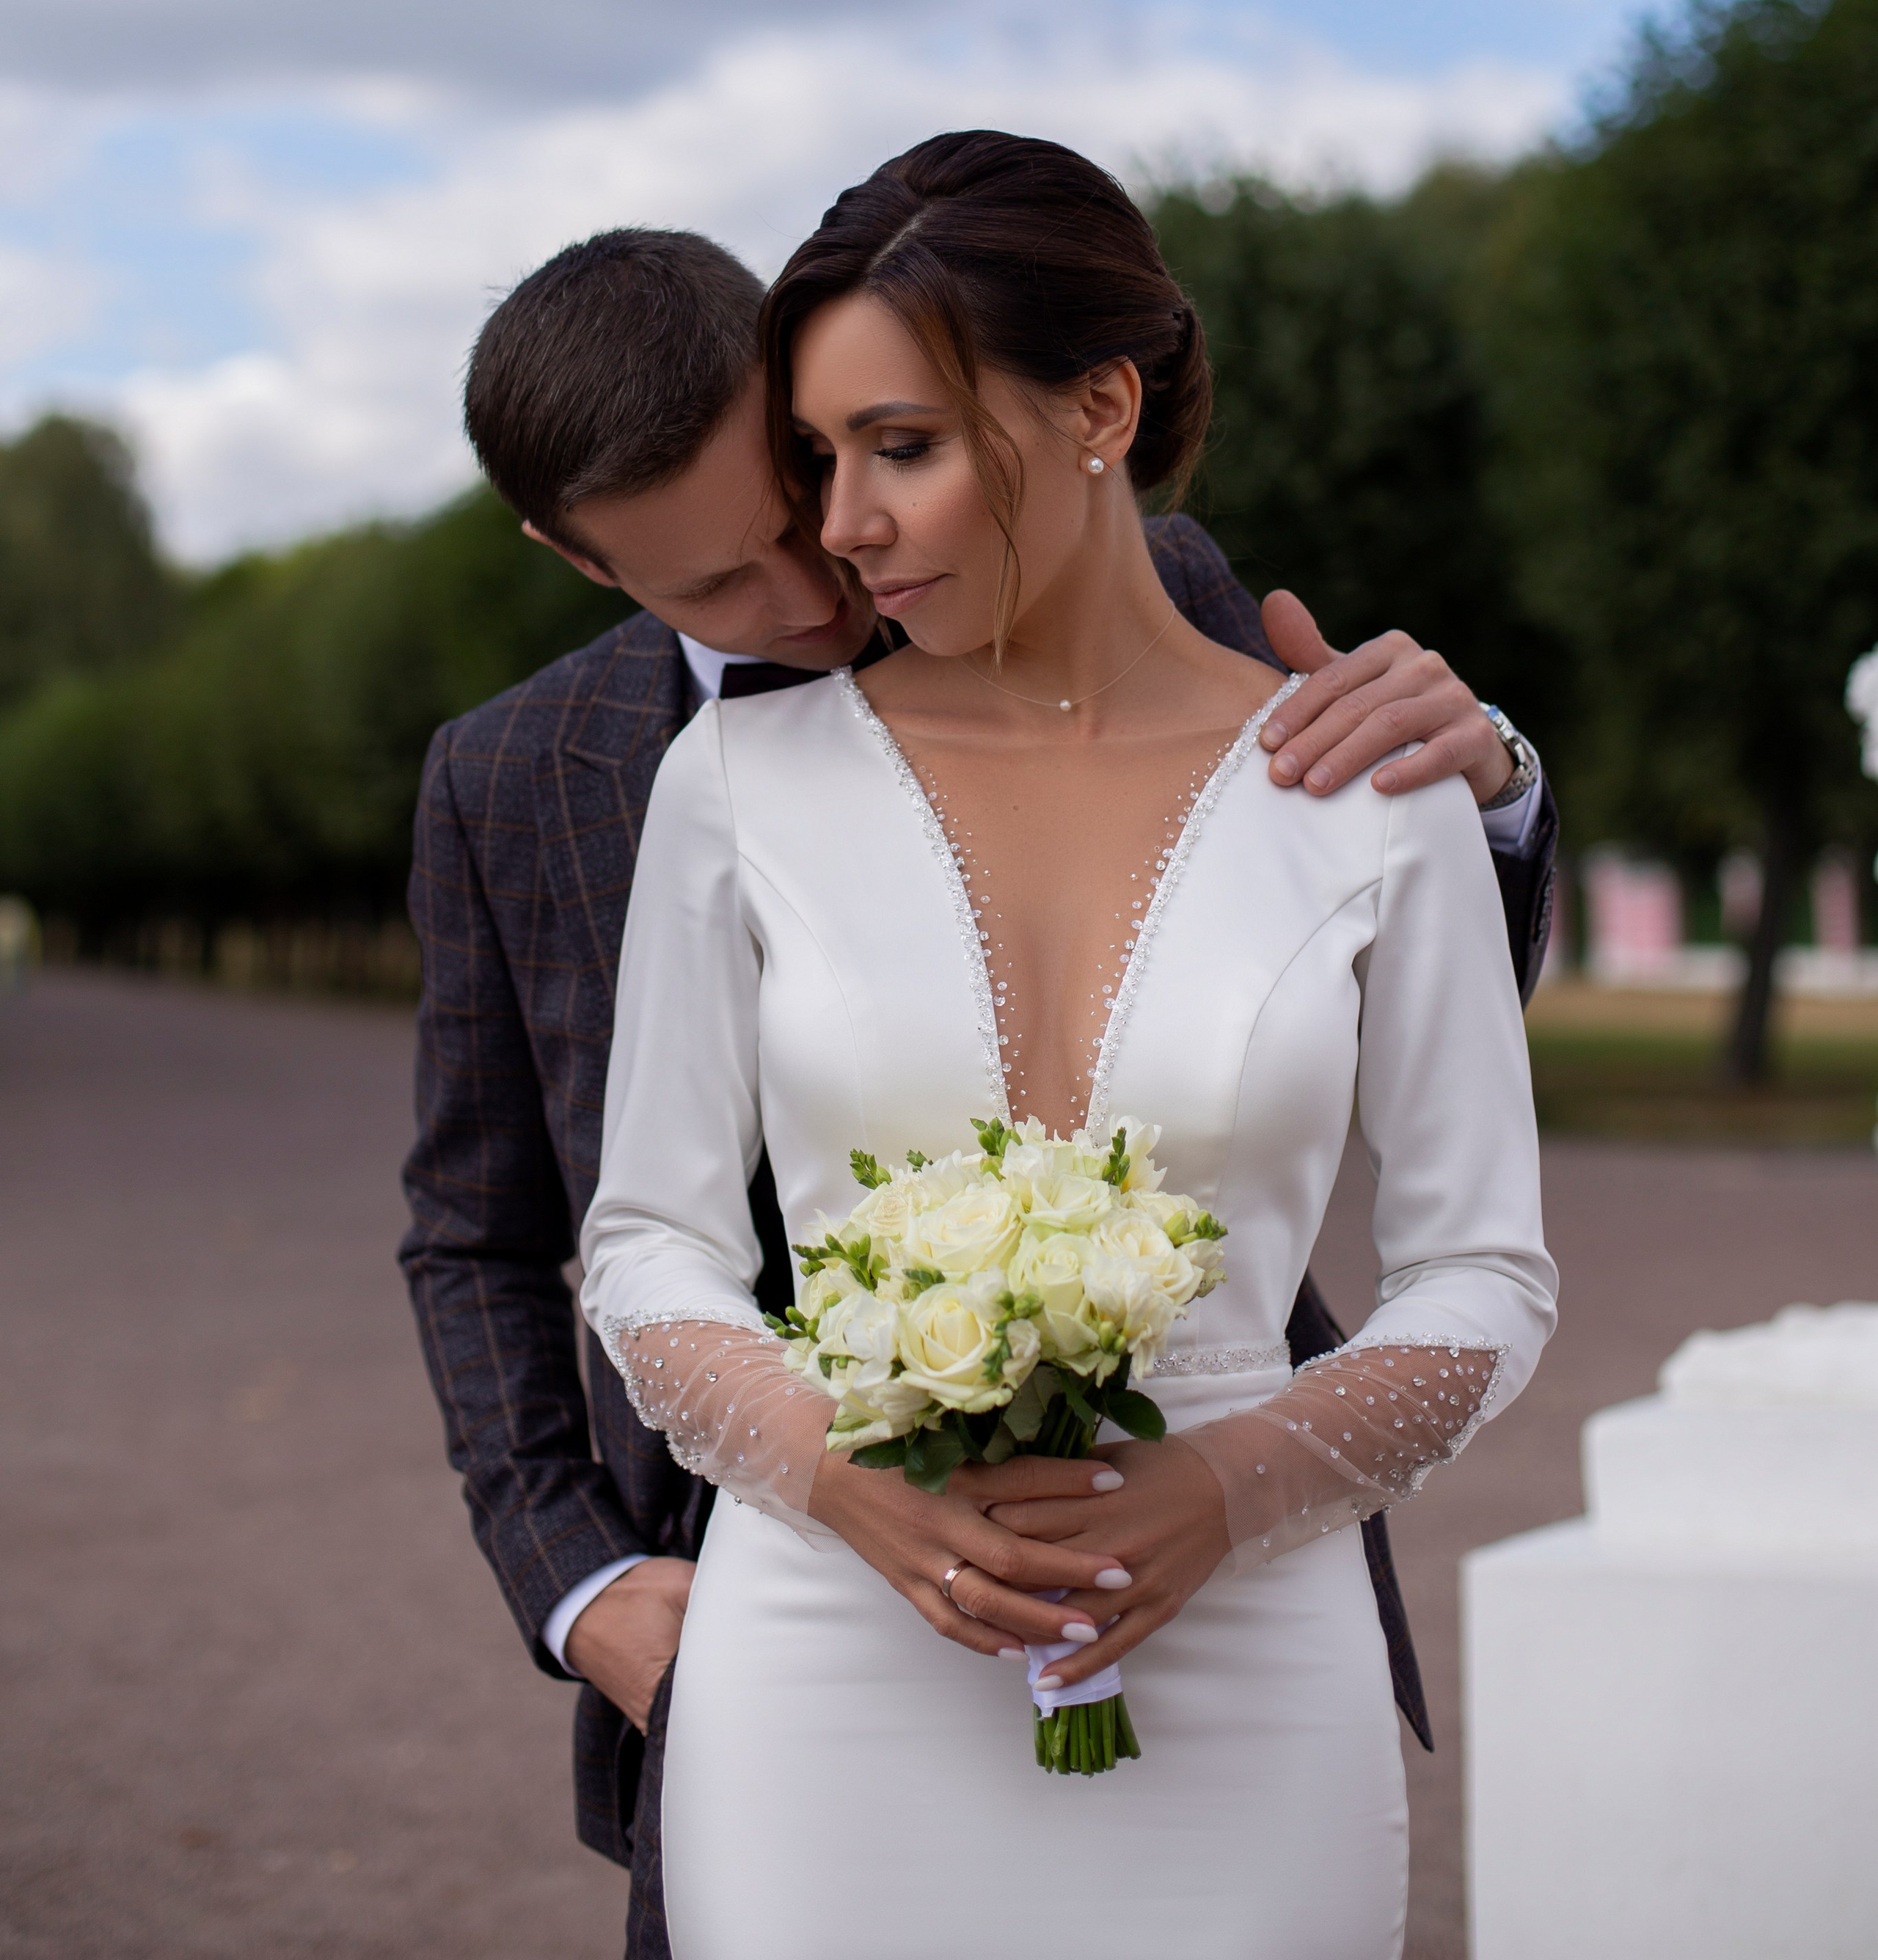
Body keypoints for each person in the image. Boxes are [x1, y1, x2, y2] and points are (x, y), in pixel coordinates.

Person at [401, 213, 1557, 1959]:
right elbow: (483, 1233)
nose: (812, 590)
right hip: (768, 1621)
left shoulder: (1152, 589)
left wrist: (1488, 780)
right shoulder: (518, 780)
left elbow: (1345, 950)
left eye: (804, 502)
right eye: (711, 585)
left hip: (1216, 1577)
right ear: (578, 563)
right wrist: (579, 1584)